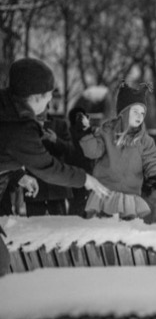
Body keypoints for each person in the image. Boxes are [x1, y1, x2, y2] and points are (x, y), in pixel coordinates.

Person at [0, 57, 110, 275]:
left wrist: (17, 176)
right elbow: (48, 167)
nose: (49, 103)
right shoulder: (19, 128)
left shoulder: (6, 108)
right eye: (48, 96)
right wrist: (85, 179)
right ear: (35, 98)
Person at [79, 81, 156, 220]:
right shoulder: (106, 133)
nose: (139, 116)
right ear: (124, 112)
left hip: (129, 197)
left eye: (142, 113)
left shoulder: (145, 141)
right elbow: (92, 152)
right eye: (135, 112)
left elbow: (152, 161)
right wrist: (86, 135)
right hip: (105, 194)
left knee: (126, 233)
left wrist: (155, 177)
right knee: (102, 231)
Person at [24, 89, 75, 216]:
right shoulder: (25, 127)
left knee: (60, 228)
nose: (40, 113)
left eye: (42, 109)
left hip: (57, 186)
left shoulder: (60, 125)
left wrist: (55, 140)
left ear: (47, 107)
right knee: (34, 228)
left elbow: (70, 150)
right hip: (35, 186)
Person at [67, 107, 95, 216]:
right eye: (79, 117)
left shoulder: (72, 133)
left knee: (80, 204)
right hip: (80, 172)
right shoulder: (79, 133)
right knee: (79, 204)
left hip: (79, 173)